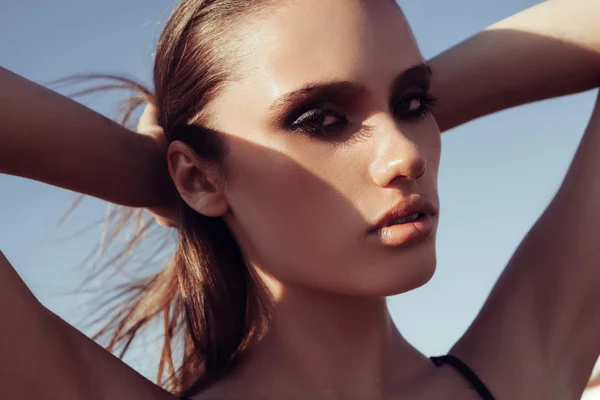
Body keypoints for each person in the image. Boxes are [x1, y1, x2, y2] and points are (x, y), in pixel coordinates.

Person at [2, 0, 600, 399]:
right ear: (198, 178)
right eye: (320, 120)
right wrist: (151, 178)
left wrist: (200, 181)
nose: (407, 157)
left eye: (413, 105)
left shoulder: (516, 374)